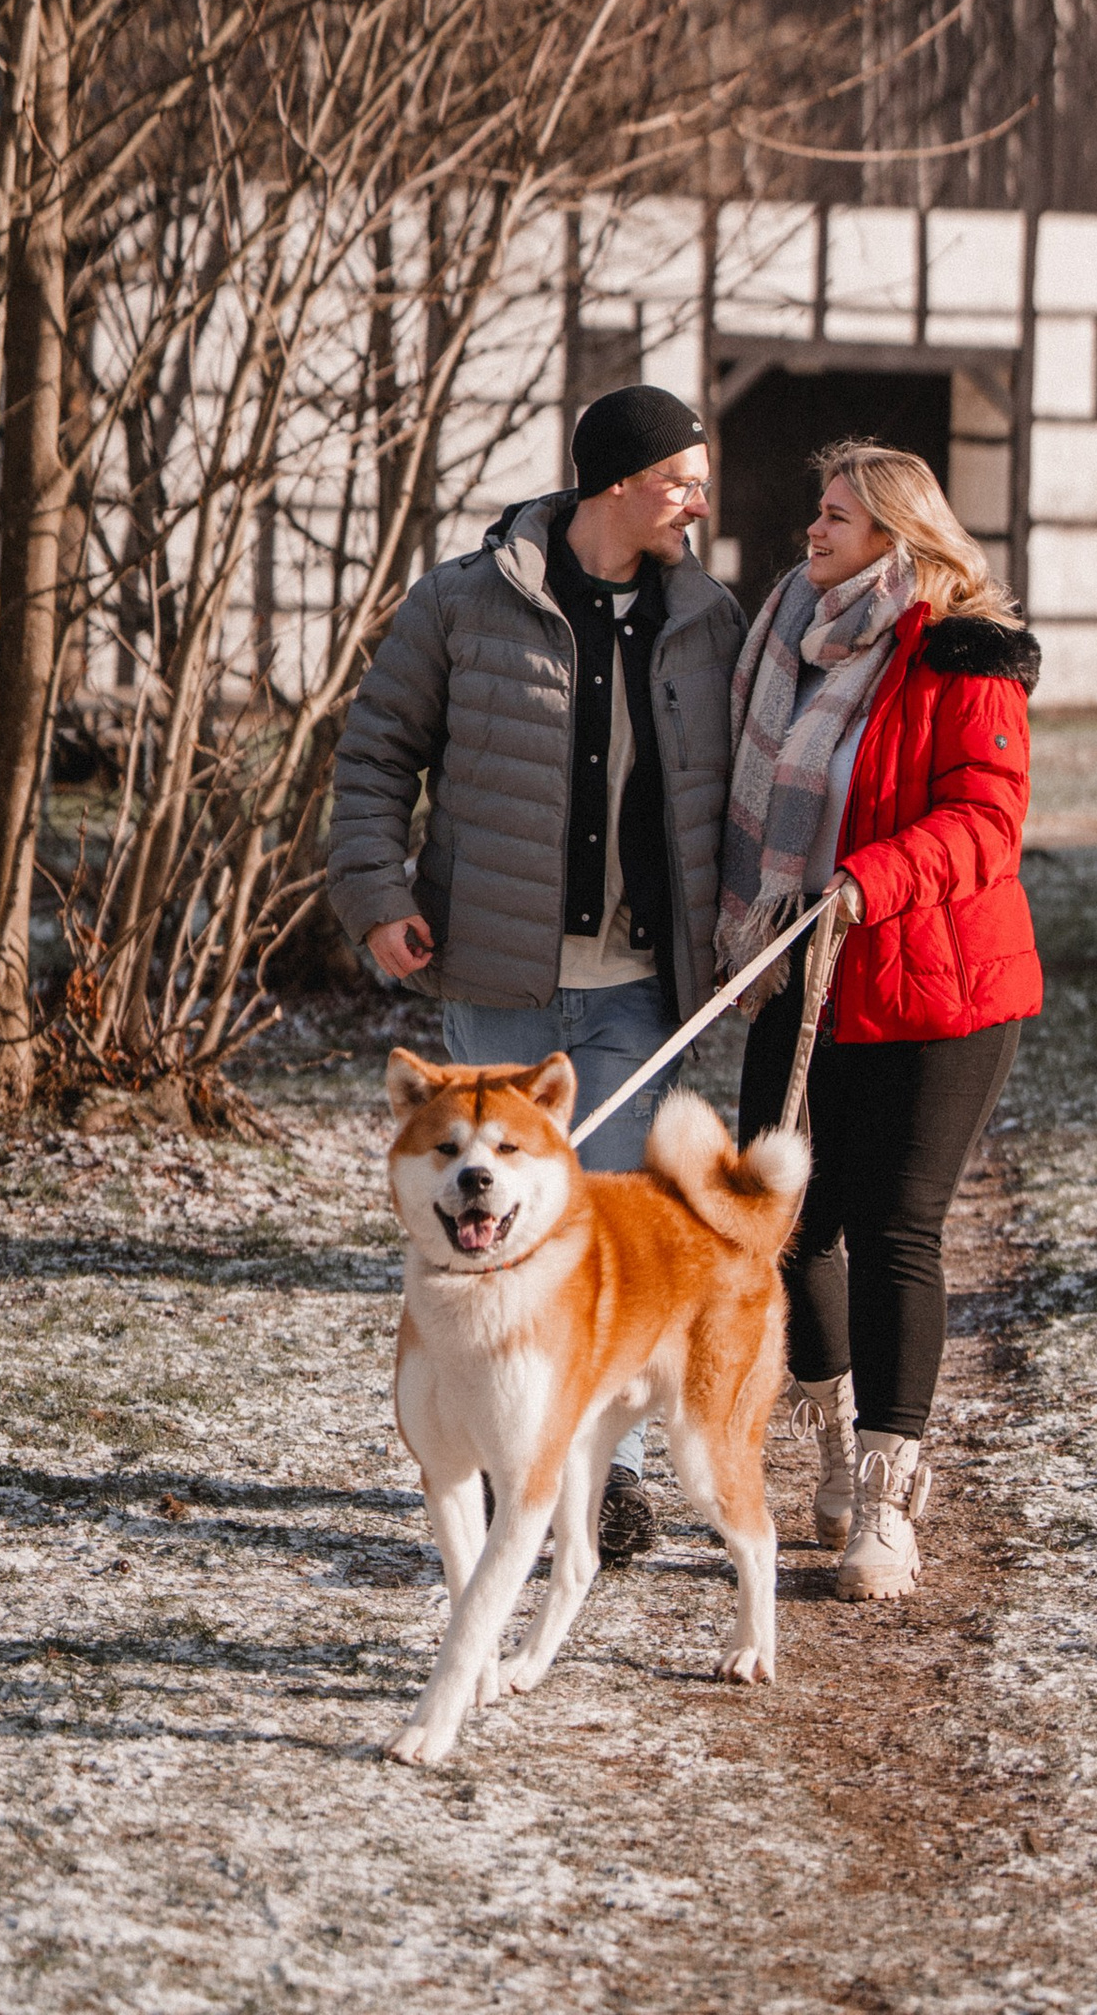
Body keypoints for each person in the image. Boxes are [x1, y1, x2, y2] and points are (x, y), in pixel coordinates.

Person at [328, 384, 743, 1561]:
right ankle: (501, 1447)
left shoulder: (707, 618)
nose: (697, 503)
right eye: (678, 481)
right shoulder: (464, 603)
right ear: (615, 483)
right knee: (496, 1233)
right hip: (496, 975)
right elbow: (375, 754)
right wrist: (378, 897)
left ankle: (597, 1479)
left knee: (595, 1235)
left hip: (638, 986)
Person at [722, 438, 1042, 1602]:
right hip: (803, 965)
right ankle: (829, 1432)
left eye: (837, 518)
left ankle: (887, 1493)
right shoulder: (791, 646)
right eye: (817, 512)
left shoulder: (965, 655)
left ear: (897, 541)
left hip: (938, 980)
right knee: (788, 1223)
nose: (811, 532)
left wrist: (872, 878)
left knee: (898, 1227)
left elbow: (986, 822)